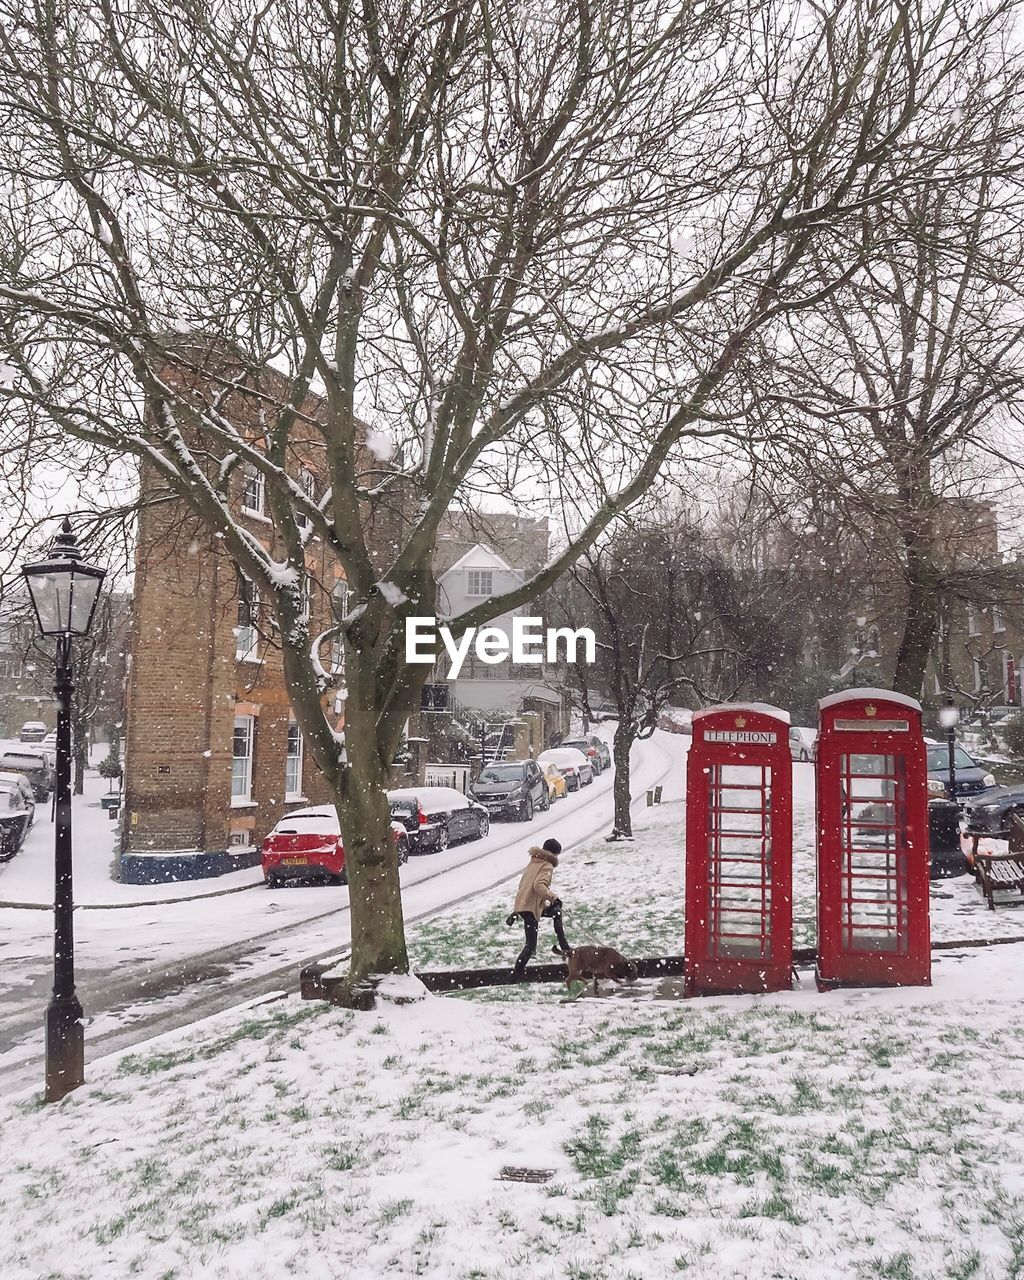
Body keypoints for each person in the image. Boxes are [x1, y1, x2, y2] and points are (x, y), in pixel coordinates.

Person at [507, 839, 571, 979]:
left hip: (525, 905)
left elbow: (525, 885)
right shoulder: (547, 865)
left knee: (556, 913)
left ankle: (564, 946)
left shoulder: (533, 862)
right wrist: (553, 898)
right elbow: (538, 886)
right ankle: (515, 975)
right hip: (530, 908)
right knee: (530, 946)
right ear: (554, 853)